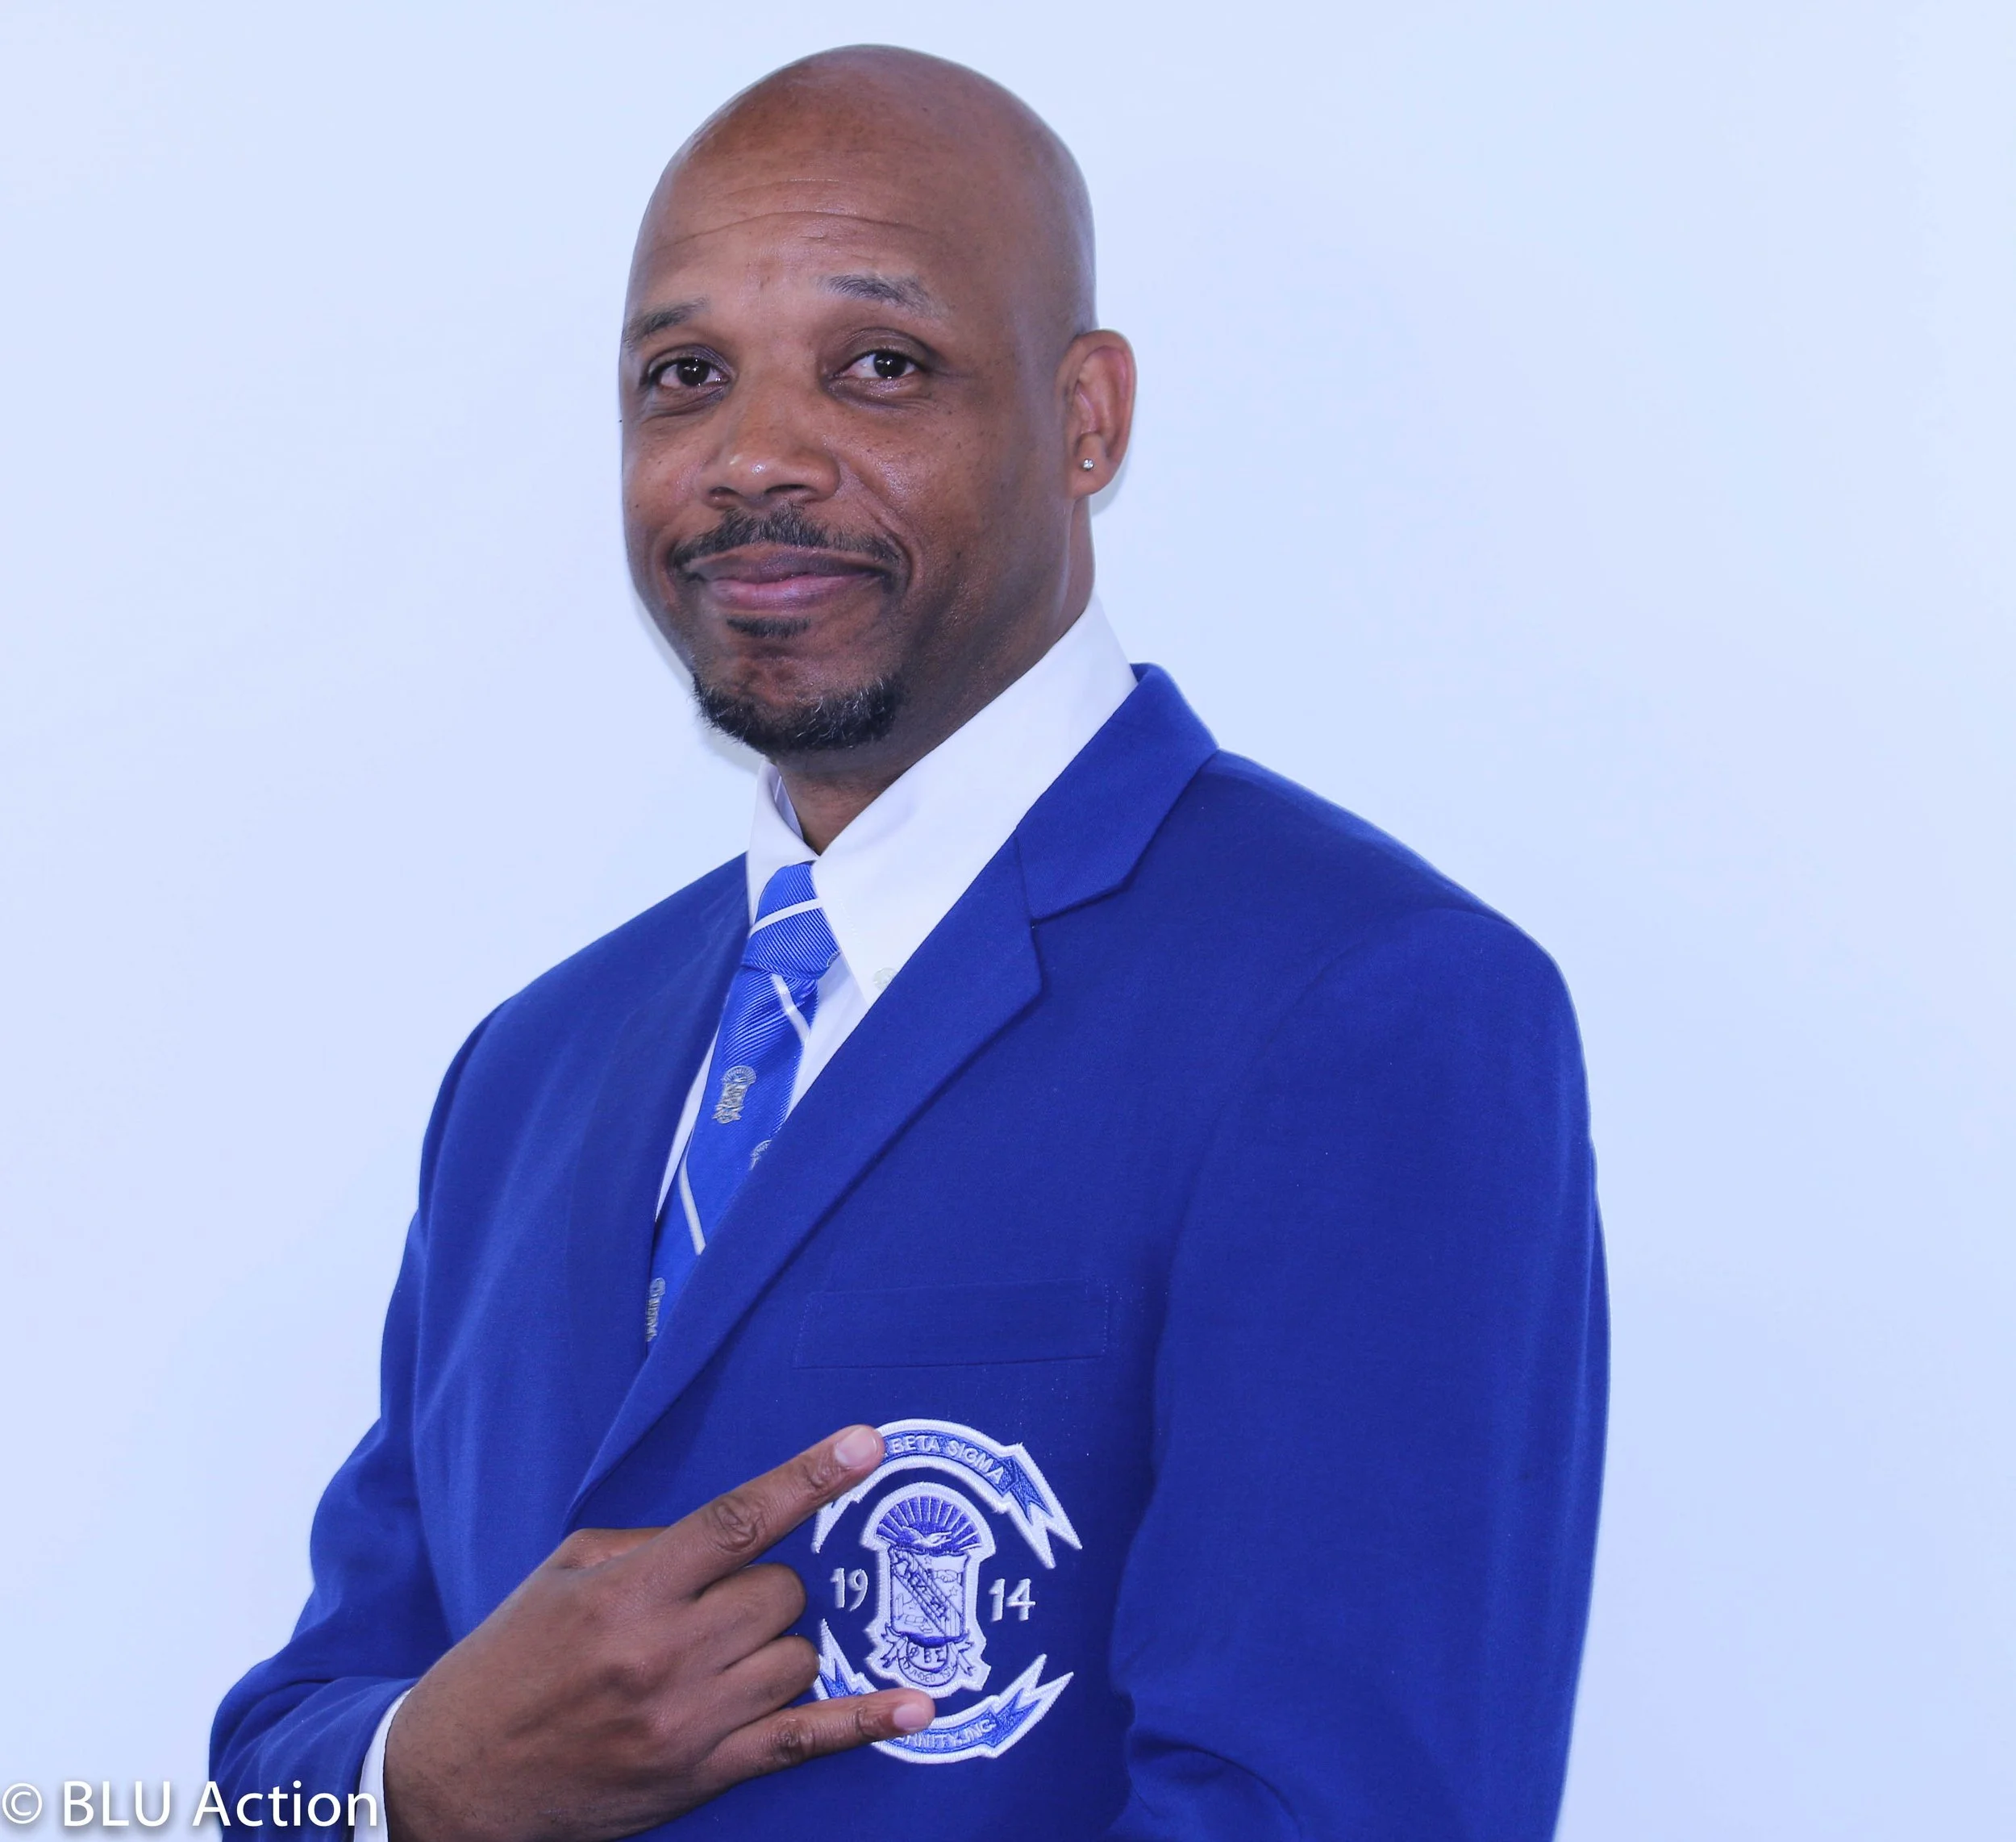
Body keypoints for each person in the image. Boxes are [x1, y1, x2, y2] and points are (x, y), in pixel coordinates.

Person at [211, 44, 1607, 1842]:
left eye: (879, 365)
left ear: (1085, 417)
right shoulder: (532, 1069)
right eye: (682, 376)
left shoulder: (1364, 1005)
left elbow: (1329, 1808)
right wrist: (423, 1778)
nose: (755, 458)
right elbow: (280, 1755)